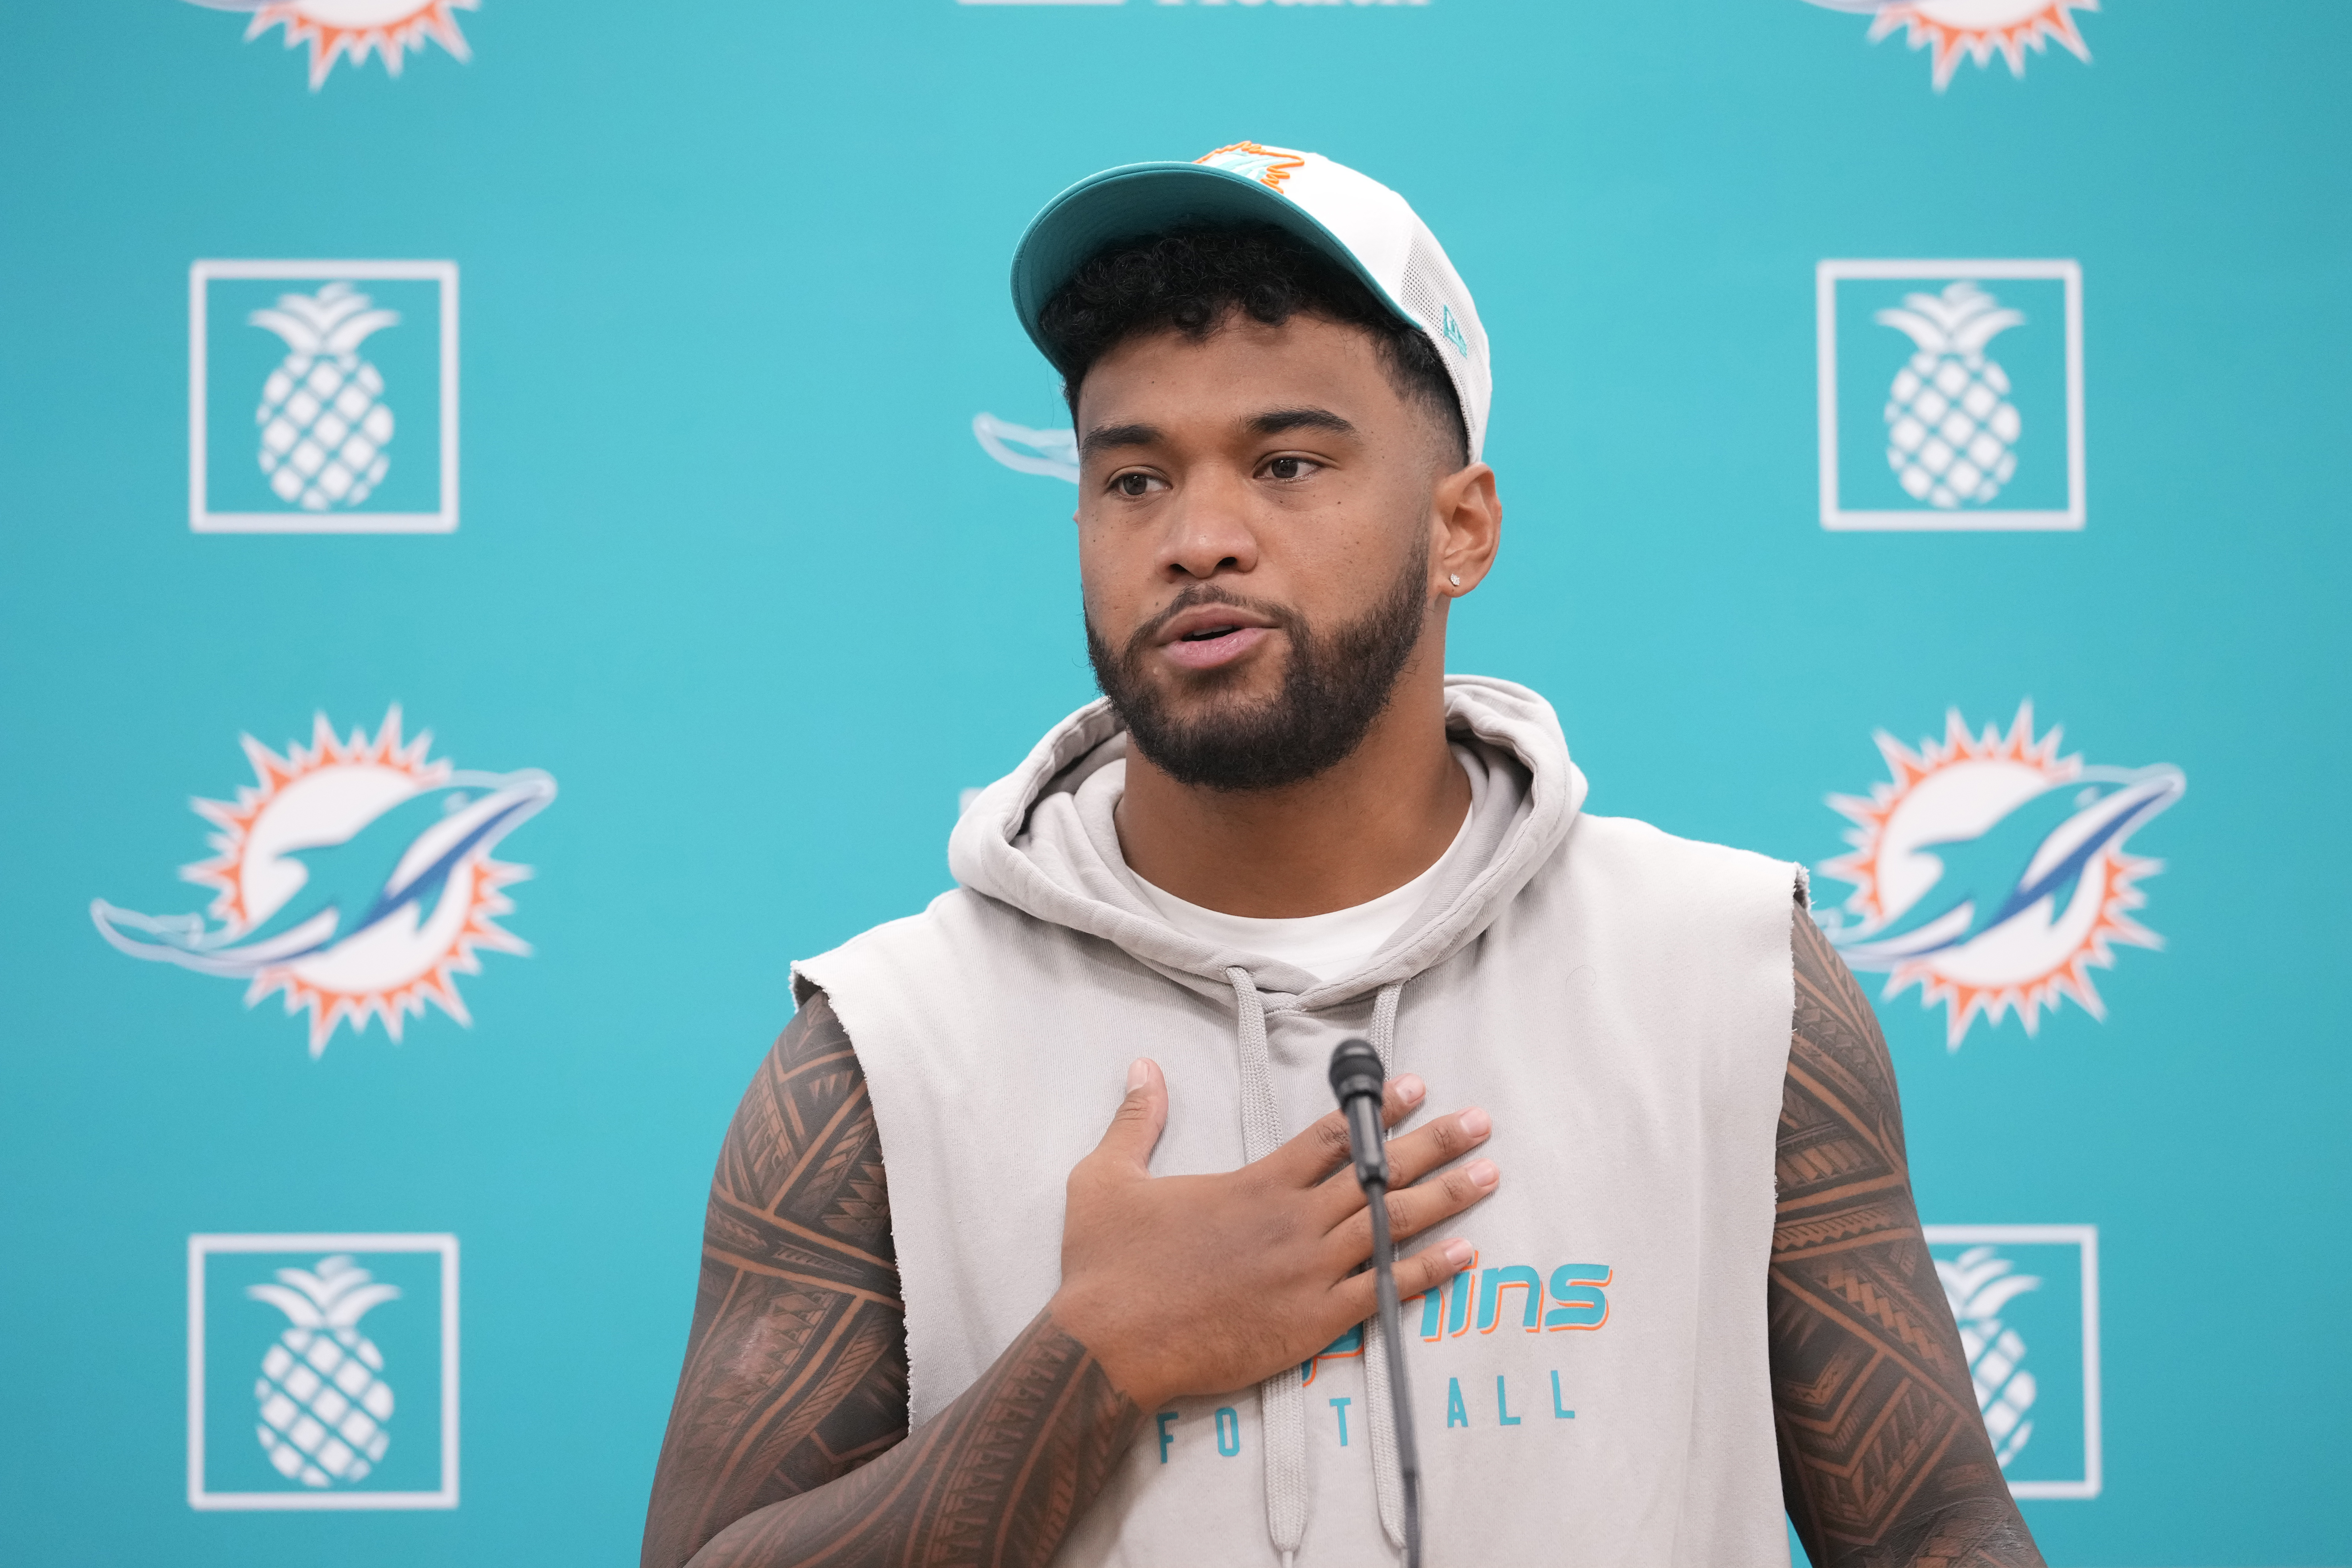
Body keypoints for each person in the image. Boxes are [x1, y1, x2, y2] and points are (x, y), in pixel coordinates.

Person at [640, 143, 2046, 1568]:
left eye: (1287, 463)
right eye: (1133, 478)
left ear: (1460, 529)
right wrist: (1096, 1359)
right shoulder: (883, 1050)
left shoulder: (1728, 971)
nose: (1197, 538)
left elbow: (1935, 1524)